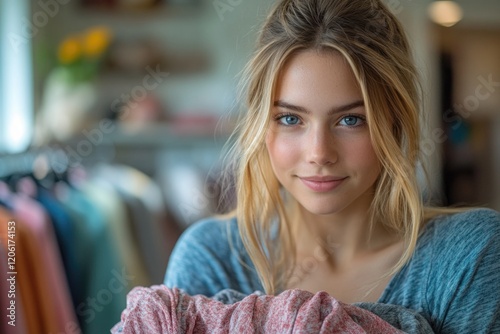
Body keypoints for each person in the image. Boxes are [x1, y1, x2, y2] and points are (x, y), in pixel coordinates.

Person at [115, 0, 500, 332]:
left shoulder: (467, 256)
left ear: (395, 122)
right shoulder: (212, 259)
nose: (319, 153)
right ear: (261, 126)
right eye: (290, 119)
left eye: (350, 119)